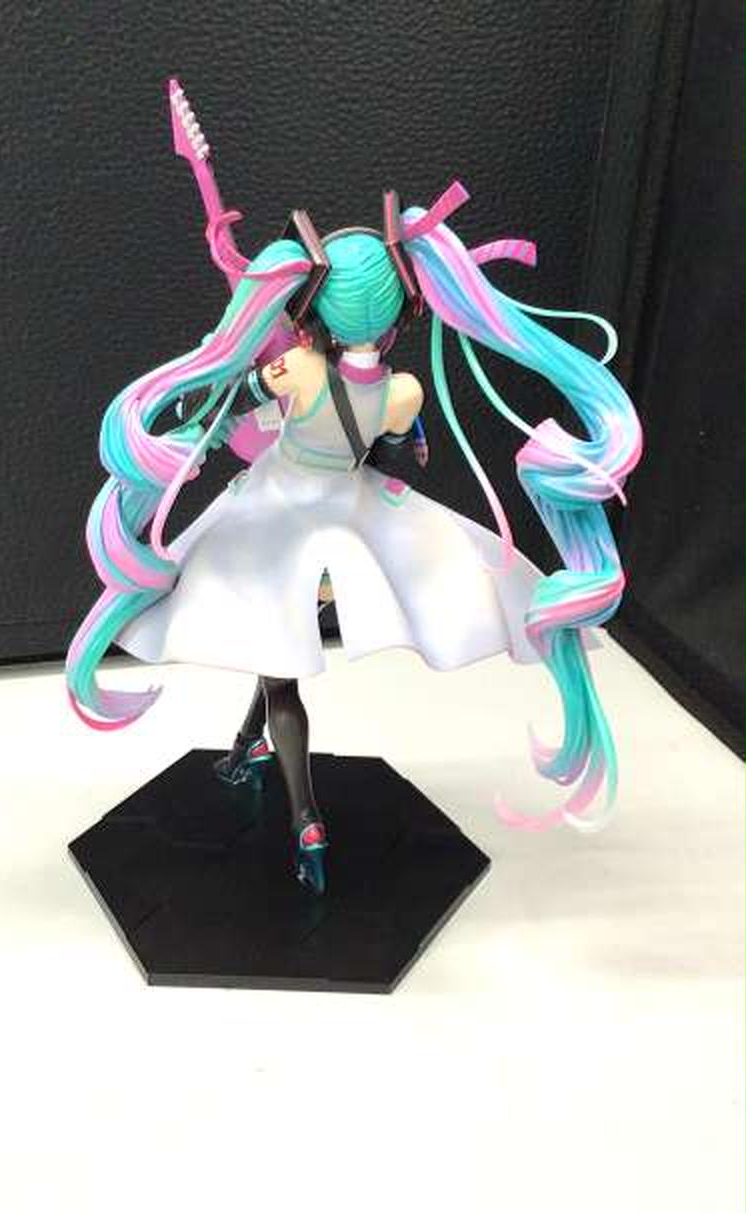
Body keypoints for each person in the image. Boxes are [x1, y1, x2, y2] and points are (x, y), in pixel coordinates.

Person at [65, 116, 642, 896]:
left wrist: (200, 431)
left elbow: (236, 409)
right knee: (275, 646)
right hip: (356, 523)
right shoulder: (404, 390)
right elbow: (401, 449)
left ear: (314, 313)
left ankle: (305, 816)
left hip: (278, 517)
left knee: (279, 667)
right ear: (401, 311)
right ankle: (248, 748)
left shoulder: (299, 372)